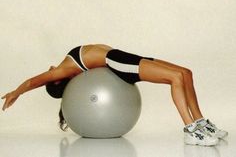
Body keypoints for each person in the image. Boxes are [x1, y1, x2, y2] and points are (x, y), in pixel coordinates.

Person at [1, 44, 228, 146]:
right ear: (57, 81)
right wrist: (16, 92)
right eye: (51, 77)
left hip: (120, 56)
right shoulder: (63, 70)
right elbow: (34, 81)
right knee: (175, 78)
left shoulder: (65, 66)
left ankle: (200, 123)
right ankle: (190, 129)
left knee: (185, 72)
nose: (49, 71)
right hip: (116, 62)